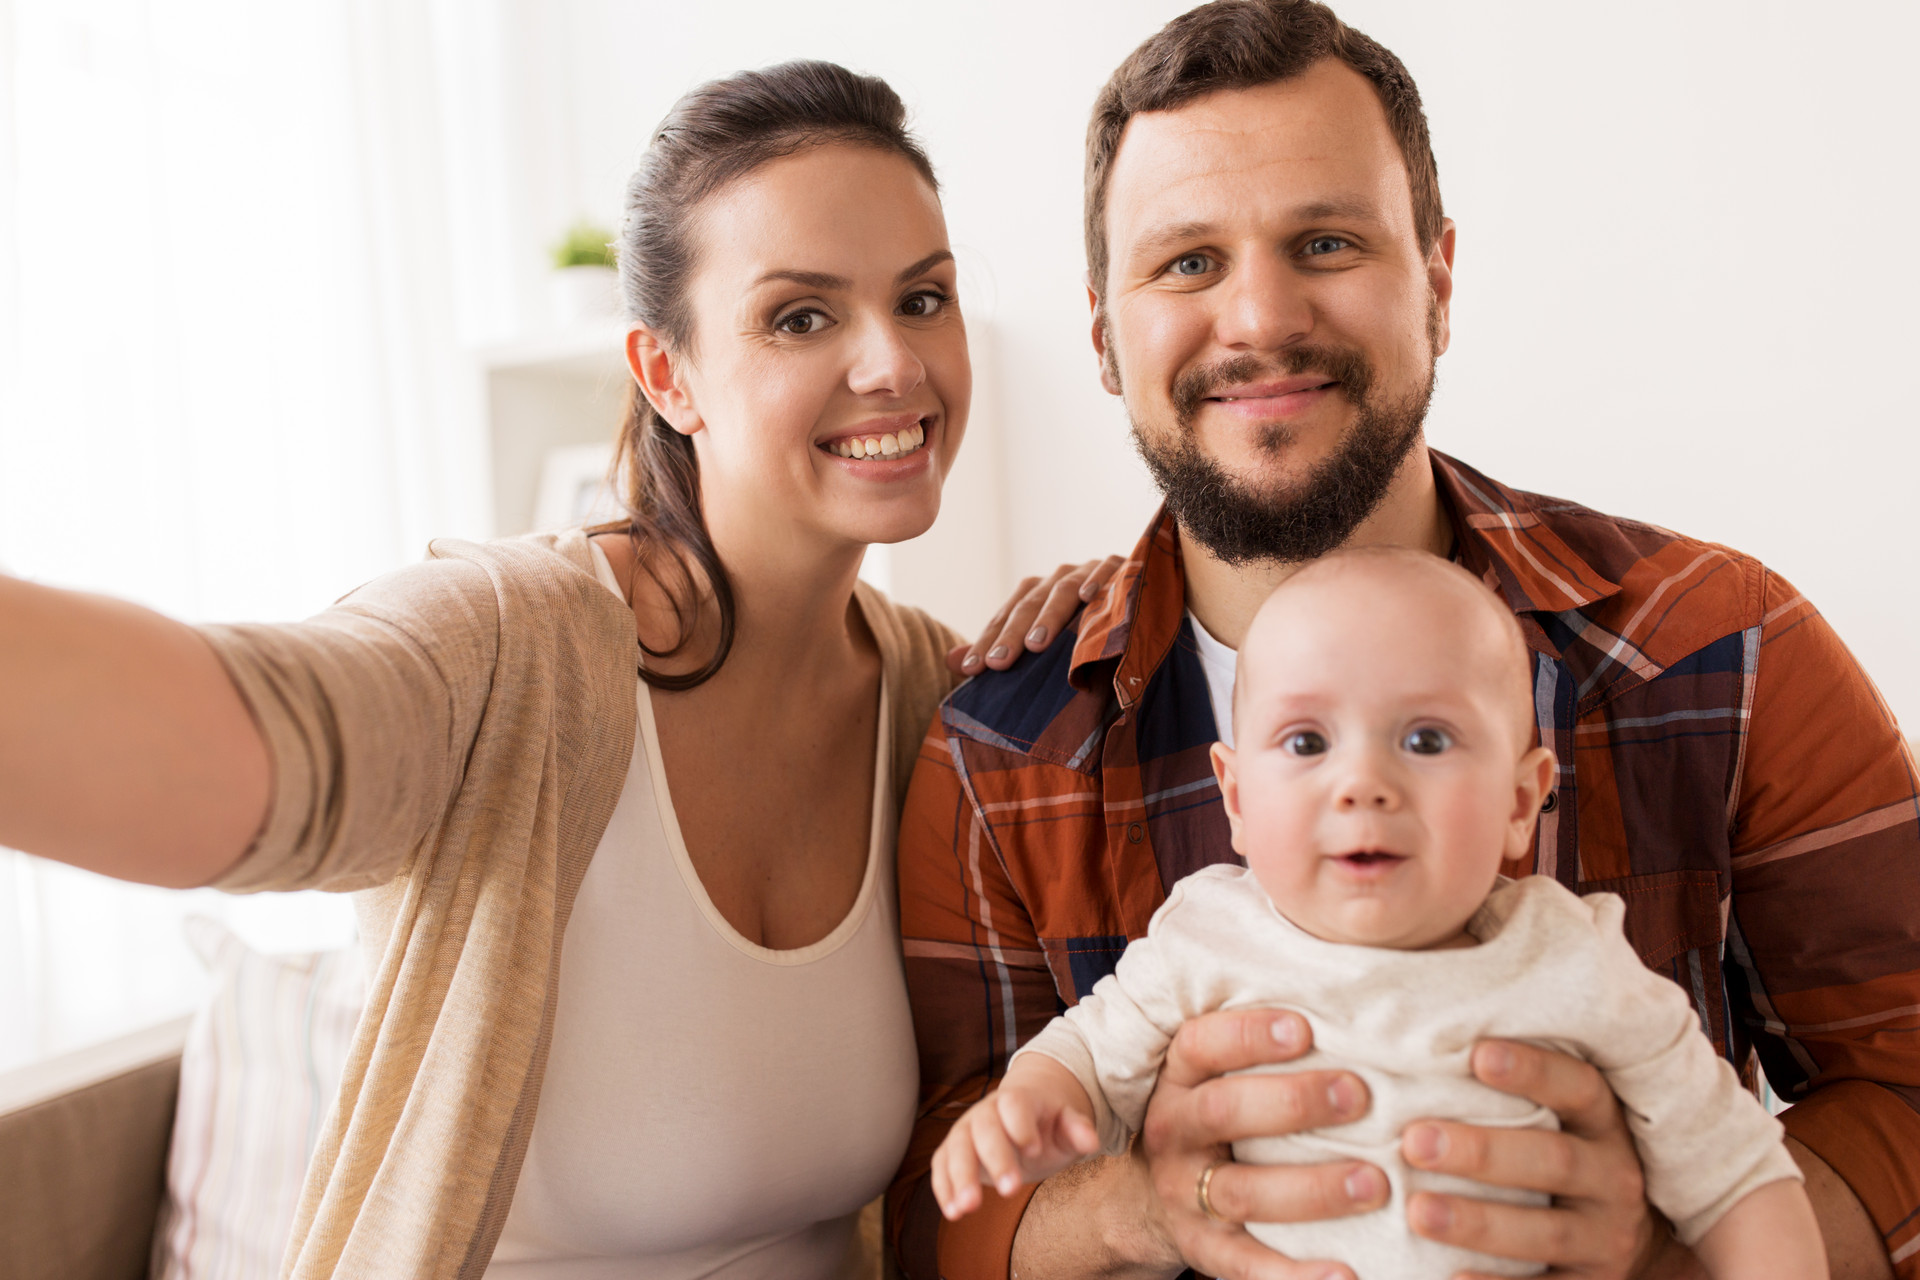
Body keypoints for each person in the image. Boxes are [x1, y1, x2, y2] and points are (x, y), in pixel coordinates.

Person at [0, 62, 1115, 1280]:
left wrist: (1128, 606)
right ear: (665, 372)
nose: (892, 364)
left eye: (922, 298)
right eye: (801, 315)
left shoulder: (929, 696)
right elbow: (268, 739)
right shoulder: (512, 647)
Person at [891, 4, 1920, 1279]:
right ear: (1105, 335)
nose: (1258, 317)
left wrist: (1662, 1247)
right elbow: (930, 1204)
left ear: (1436, 281)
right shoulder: (1002, 747)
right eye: (1187, 263)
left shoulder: (1728, 648)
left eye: (1325, 240)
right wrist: (1134, 1209)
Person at [930, 548, 1824, 1280]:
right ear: (1236, 797)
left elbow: (1737, 1176)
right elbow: (1088, 1051)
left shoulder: (1572, 957)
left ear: (1523, 799)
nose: (1364, 785)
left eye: (1426, 740)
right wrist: (1034, 1105)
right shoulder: (1207, 938)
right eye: (1307, 742)